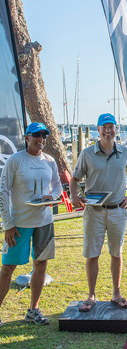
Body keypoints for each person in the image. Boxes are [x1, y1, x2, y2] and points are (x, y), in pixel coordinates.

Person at [70, 113, 127, 312]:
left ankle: (116, 293)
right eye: (104, 127)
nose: (108, 131)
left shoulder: (125, 152)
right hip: (94, 212)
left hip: (118, 210)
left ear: (116, 129)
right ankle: (91, 295)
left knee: (116, 253)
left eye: (111, 127)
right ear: (98, 130)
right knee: (92, 254)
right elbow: (75, 178)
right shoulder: (87, 153)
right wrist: (74, 196)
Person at [0, 123, 62, 326]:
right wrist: (7, 224)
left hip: (44, 222)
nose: (41, 139)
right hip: (19, 224)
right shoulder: (16, 160)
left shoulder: (50, 161)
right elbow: (4, 191)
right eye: (37, 135)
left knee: (41, 264)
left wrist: (51, 196)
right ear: (27, 137)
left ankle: (33, 310)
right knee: (8, 267)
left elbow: (57, 187)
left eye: (44, 136)